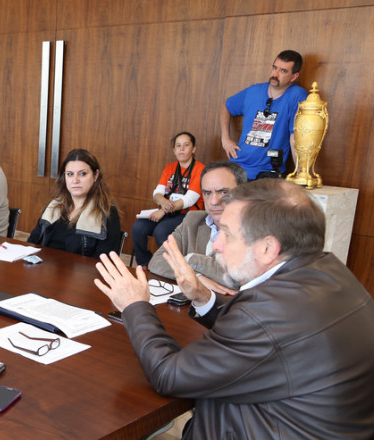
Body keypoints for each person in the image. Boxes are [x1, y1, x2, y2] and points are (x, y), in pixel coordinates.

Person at [95, 179, 374, 440]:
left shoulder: (270, 312)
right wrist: (204, 298)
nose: (215, 244)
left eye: (225, 233)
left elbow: (169, 375)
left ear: (268, 247)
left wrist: (135, 306)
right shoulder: (326, 274)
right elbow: (272, 342)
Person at [148, 161, 247, 294]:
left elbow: (237, 279)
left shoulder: (254, 227)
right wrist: (196, 277)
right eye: (207, 193)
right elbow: (157, 262)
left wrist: (190, 258)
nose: (213, 201)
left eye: (223, 192)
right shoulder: (193, 219)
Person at [220, 50, 308, 179]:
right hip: (236, 168)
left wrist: (301, 174)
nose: (275, 74)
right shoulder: (253, 91)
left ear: (294, 77)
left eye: (283, 71)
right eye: (274, 68)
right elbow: (226, 107)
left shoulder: (297, 96)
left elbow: (295, 138)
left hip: (267, 174)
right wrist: (225, 139)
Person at [27, 149, 121, 257]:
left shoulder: (107, 213)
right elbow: (32, 242)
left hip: (79, 273)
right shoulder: (54, 205)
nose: (75, 180)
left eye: (82, 174)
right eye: (70, 174)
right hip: (43, 268)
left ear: (95, 175)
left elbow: (103, 262)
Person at [131, 132, 204, 268]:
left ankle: (172, 268)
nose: (181, 149)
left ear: (193, 149)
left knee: (161, 231)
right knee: (138, 227)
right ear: (174, 150)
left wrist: (163, 211)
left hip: (188, 215)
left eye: (186, 145)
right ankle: (146, 264)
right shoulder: (170, 168)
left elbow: (189, 200)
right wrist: (164, 203)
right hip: (168, 211)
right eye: (178, 146)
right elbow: (157, 193)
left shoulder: (200, 170)